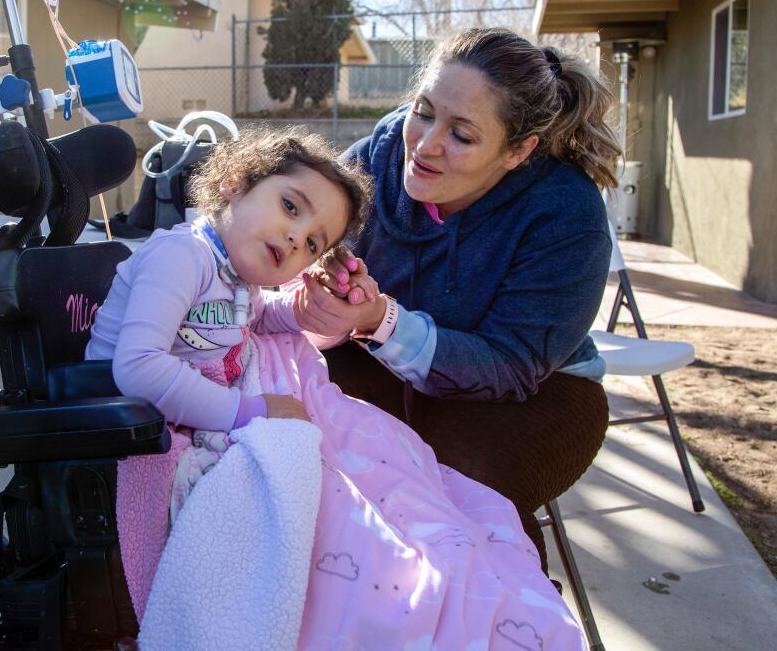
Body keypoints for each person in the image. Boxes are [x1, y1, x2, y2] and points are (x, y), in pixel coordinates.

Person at [87, 128, 588, 649]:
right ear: (234, 183)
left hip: (192, 415)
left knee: (371, 468)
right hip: (133, 429)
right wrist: (250, 411)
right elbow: (139, 368)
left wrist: (311, 309)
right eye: (290, 206)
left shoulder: (236, 277)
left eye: (312, 243)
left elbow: (258, 320)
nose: (294, 238)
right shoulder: (182, 258)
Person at [295, 27, 622, 571]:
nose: (424, 146)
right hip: (377, 358)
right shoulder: (374, 160)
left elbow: (510, 365)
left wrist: (381, 319)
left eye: (463, 135)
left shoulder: (566, 214)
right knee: (299, 452)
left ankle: (506, 626)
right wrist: (320, 299)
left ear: (518, 151)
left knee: (461, 495)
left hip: (534, 392)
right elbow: (293, 254)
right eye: (422, 111)